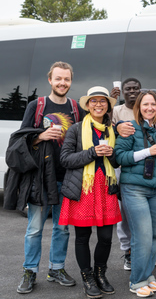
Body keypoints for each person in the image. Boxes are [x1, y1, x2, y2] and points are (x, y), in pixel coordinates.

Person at [15, 61, 84, 294]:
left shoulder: (76, 108)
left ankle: (56, 268)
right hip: (41, 178)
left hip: (68, 177)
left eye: (66, 79)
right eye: (58, 78)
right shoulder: (37, 105)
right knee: (34, 228)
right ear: (50, 80)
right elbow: (20, 140)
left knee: (62, 228)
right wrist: (40, 136)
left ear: (70, 81)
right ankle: (30, 271)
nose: (62, 82)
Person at [59, 86, 122, 298]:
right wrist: (92, 152)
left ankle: (100, 274)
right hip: (83, 188)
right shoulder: (76, 129)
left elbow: (117, 161)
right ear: (87, 105)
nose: (98, 104)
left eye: (102, 101)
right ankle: (87, 276)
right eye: (93, 101)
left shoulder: (112, 129)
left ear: (107, 105)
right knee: (82, 237)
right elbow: (65, 159)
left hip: (106, 188)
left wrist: (112, 154)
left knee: (105, 237)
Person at [115, 91, 156, 297]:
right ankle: (137, 281)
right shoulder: (129, 128)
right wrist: (148, 152)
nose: (149, 108)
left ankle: (148, 276)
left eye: (153, 105)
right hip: (134, 188)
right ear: (138, 107)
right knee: (142, 236)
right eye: (145, 104)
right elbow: (119, 157)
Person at [110, 77, 142, 271]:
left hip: (144, 166)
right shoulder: (116, 111)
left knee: (140, 213)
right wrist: (116, 127)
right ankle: (128, 251)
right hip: (122, 167)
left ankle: (142, 249)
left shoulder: (146, 107)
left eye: (135, 88)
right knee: (123, 213)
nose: (132, 91)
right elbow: (105, 131)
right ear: (122, 92)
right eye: (128, 89)